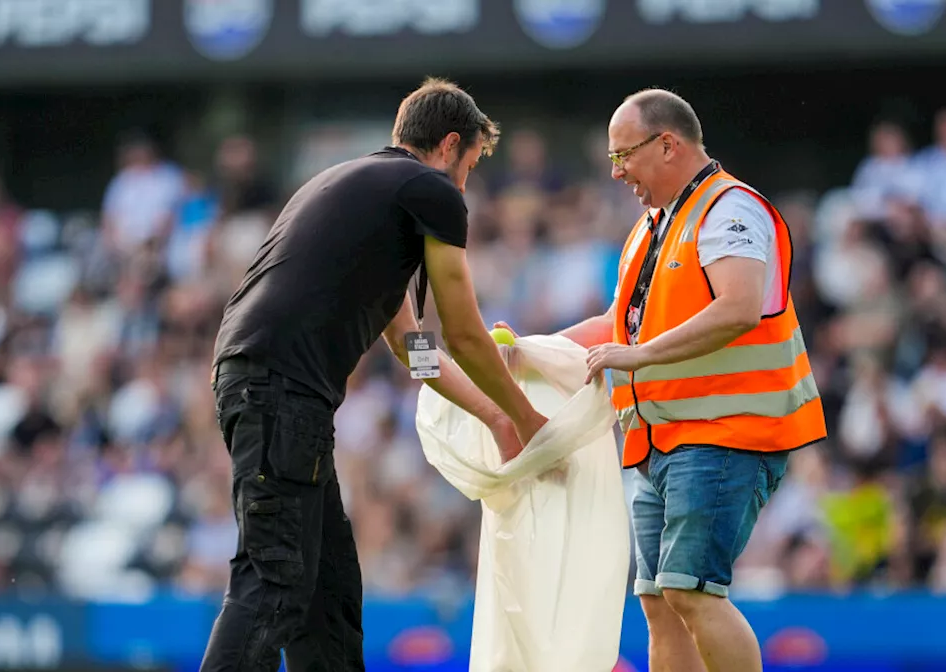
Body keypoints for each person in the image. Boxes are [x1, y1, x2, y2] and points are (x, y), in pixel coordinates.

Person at [200, 77, 549, 672]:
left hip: (267, 390)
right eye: (467, 166)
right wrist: (529, 417)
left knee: (326, 597)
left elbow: (413, 346)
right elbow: (463, 333)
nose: (464, 184)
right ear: (447, 145)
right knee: (275, 584)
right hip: (282, 394)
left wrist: (494, 415)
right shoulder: (430, 190)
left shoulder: (355, 189)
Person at [498, 89, 827, 671]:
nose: (617, 172)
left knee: (690, 592)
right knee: (660, 603)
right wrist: (529, 351)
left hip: (726, 432)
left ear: (668, 144)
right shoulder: (651, 225)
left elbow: (739, 308)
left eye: (623, 156)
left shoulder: (731, 208)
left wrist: (638, 355)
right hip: (661, 441)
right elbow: (616, 325)